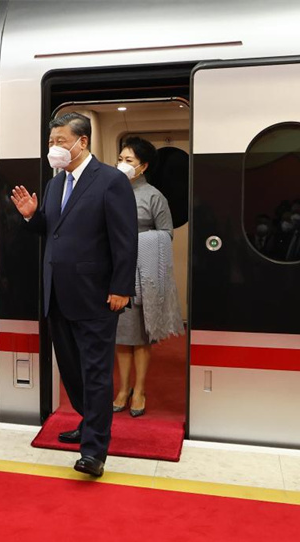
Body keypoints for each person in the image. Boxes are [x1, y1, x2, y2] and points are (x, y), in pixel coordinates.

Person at [11, 113, 137, 477]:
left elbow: (125, 240)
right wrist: (34, 218)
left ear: (83, 142)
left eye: (61, 141)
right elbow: (55, 232)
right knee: (72, 370)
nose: (55, 148)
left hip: (96, 296)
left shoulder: (110, 181)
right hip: (58, 294)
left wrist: (121, 288)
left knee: (96, 372)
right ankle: (88, 421)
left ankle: (95, 450)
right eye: (51, 142)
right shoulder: (54, 184)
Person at [113, 137, 183, 417]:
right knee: (121, 336)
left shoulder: (154, 196)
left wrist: (136, 241)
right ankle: (123, 388)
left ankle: (139, 389)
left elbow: (166, 233)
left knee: (140, 337)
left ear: (142, 167)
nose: (122, 164)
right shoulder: (109, 190)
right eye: (120, 158)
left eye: (129, 161)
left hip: (143, 276)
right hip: (116, 271)